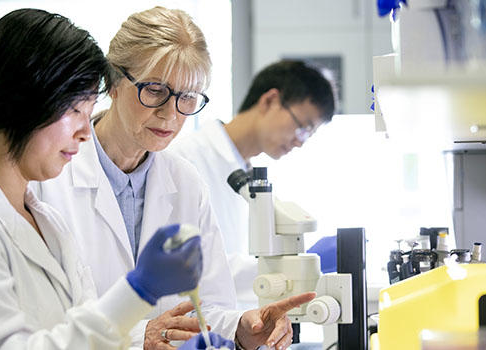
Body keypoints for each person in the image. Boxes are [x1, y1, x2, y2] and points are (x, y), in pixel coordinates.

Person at [0, 8, 229, 349]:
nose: (86, 131)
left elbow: (87, 335)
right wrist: (139, 290)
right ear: (20, 102)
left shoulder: (46, 220)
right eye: (74, 111)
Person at [34, 7, 316, 350]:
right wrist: (143, 337)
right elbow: (46, 319)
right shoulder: (51, 177)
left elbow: (210, 306)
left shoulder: (185, 182)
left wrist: (242, 328)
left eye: (187, 98)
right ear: (114, 82)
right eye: (155, 90)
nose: (171, 114)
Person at [170, 60, 336, 306]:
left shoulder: (248, 173)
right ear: (270, 100)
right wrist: (292, 270)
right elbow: (187, 266)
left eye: (308, 136)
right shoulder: (187, 160)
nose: (300, 142)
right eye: (302, 127)